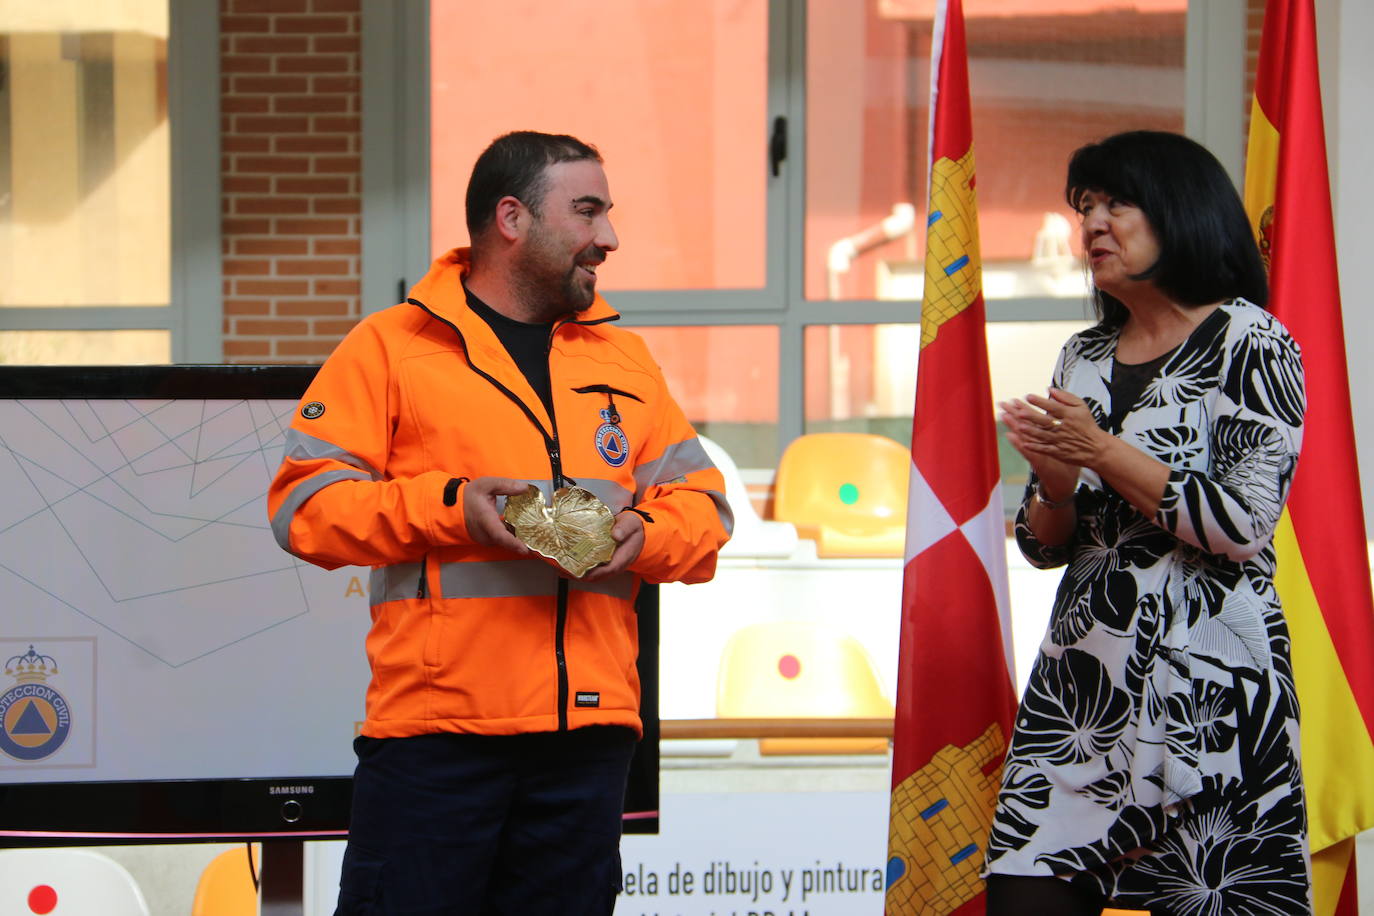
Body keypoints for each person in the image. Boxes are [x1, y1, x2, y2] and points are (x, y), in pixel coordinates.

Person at [267, 130, 733, 915]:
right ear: (511, 218)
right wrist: (450, 508)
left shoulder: (623, 360)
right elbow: (303, 508)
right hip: (436, 743)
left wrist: (642, 536)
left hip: (588, 745)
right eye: (587, 212)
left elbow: (706, 510)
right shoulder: (388, 348)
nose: (609, 239)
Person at [984, 130, 1309, 915]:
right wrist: (1057, 487)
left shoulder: (1251, 340)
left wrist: (1101, 449)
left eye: (1115, 203)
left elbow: (1240, 519)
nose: (1093, 222)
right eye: (1084, 206)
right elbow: (1041, 543)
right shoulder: (1083, 355)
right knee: (1020, 892)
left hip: (1212, 698)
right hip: (1082, 695)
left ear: (1181, 211)